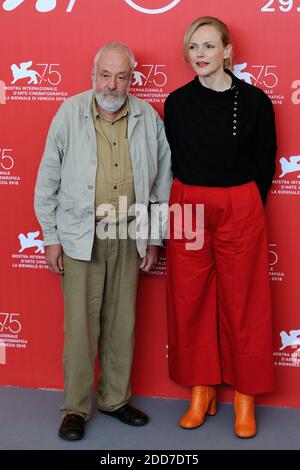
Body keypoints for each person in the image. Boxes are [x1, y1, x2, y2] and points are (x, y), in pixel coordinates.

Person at [34, 42, 172, 441]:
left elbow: (162, 183)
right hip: (81, 235)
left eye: (121, 76)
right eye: (105, 75)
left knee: (121, 323)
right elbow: (48, 182)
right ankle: (75, 408)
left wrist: (153, 237)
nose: (112, 85)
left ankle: (114, 399)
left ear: (132, 78)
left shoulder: (148, 116)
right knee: (80, 328)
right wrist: (51, 237)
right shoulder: (69, 113)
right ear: (93, 75)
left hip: (128, 233)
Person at [164, 17, 277, 438]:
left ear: (228, 50)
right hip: (188, 204)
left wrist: (244, 202)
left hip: (239, 204)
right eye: (194, 47)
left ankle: (244, 397)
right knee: (189, 298)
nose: (200, 55)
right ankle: (202, 389)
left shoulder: (254, 101)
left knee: (243, 301)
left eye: (209, 47)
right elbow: (173, 159)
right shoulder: (175, 102)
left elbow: (265, 159)